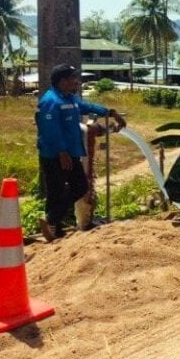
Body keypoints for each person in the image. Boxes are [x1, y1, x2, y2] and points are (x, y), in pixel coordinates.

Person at [36, 64, 126, 241]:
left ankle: (52, 224)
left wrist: (110, 112)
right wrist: (62, 152)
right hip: (54, 156)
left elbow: (87, 106)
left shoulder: (70, 98)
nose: (76, 81)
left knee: (74, 188)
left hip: (71, 153)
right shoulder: (50, 101)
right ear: (62, 81)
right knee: (64, 190)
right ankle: (53, 224)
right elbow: (49, 130)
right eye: (72, 78)